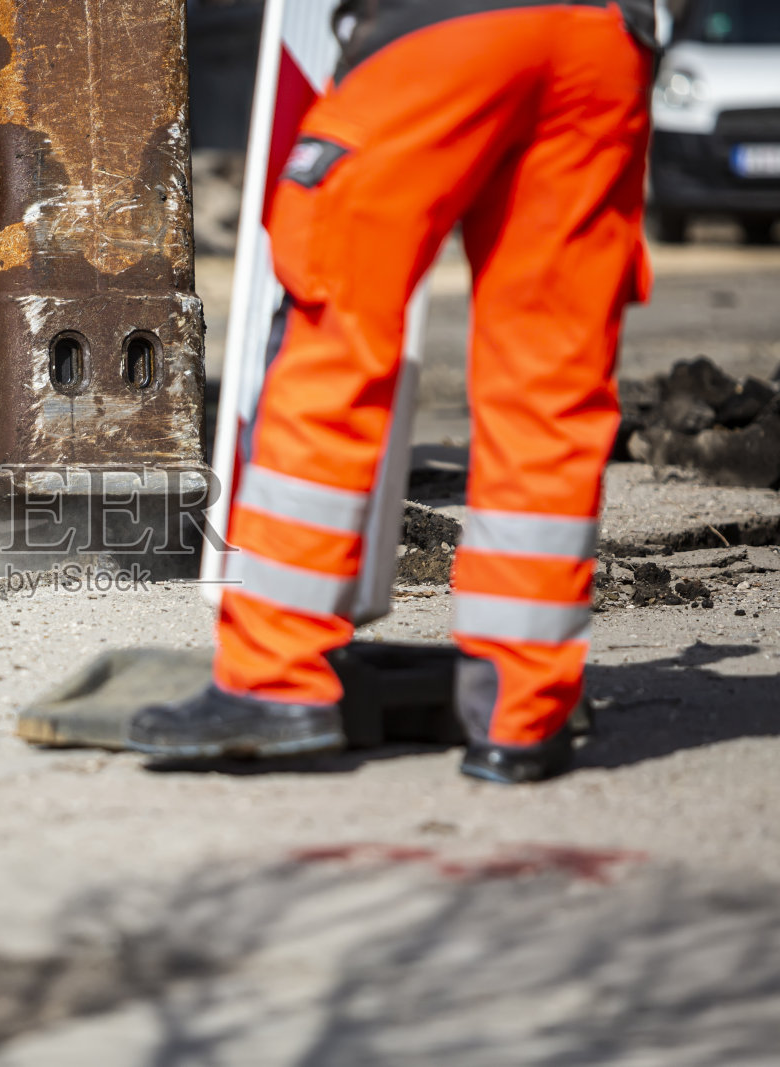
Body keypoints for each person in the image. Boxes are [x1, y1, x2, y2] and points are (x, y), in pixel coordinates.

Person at [130, 0, 656, 783]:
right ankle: (523, 712)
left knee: (335, 331)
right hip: (601, 42)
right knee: (549, 373)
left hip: (446, 28)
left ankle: (276, 680)